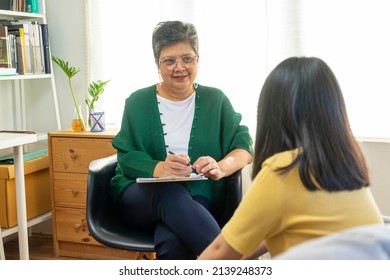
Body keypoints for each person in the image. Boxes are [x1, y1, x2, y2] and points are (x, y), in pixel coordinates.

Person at [198, 56, 384, 260]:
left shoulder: (284, 170)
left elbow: (218, 253)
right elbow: (302, 228)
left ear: (273, 114)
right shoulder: (345, 161)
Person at [111, 21, 253, 260]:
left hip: (196, 198)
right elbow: (126, 157)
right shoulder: (136, 102)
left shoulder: (216, 99)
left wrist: (220, 167)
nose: (180, 67)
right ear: (157, 64)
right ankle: (234, 263)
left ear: (198, 58)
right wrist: (160, 169)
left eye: (187, 58)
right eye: (169, 60)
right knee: (169, 192)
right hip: (140, 197)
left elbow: (244, 145)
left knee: (173, 241)